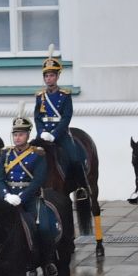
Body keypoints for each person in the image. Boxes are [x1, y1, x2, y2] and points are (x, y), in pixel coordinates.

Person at [0, 111, 61, 276]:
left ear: (28, 135)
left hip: (30, 198)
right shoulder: (6, 154)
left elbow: (38, 180)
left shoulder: (37, 154)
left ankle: (48, 262)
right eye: (15, 134)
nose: (18, 138)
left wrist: (22, 197)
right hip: (9, 198)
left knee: (44, 228)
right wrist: (6, 195)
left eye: (21, 134)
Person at [33, 50, 87, 198]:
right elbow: (37, 117)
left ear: (57, 76)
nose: (49, 78)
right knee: (29, 155)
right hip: (43, 134)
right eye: (46, 75)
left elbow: (66, 117)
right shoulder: (40, 96)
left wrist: (54, 134)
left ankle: (80, 187)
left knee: (74, 157)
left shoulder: (65, 95)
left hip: (60, 133)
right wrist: (41, 132)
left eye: (51, 75)